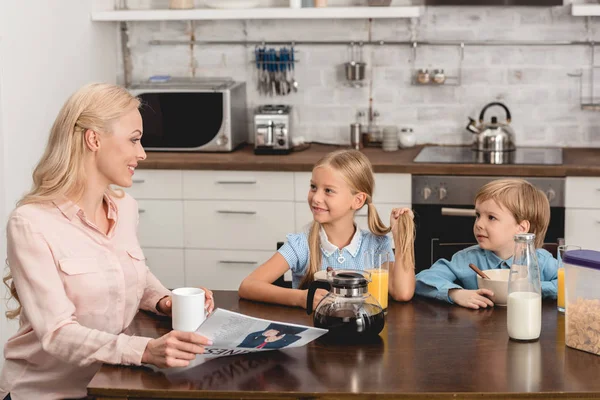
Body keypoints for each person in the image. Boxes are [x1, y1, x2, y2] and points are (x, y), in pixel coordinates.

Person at [0, 83, 215, 400]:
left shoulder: (125, 208)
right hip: (44, 392)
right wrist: (145, 350)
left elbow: (124, 271)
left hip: (110, 383)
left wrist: (163, 300)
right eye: (134, 140)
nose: (141, 153)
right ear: (93, 139)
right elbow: (57, 333)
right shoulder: (31, 224)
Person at [238, 149, 416, 310]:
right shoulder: (301, 245)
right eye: (313, 187)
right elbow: (249, 285)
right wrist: (302, 298)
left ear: (358, 200)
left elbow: (402, 293)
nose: (316, 197)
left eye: (328, 190)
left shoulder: (376, 246)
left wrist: (401, 238)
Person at [415, 178, 558, 309]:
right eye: (478, 215)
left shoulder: (540, 261)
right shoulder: (468, 259)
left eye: (491, 217)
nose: (479, 224)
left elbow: (569, 284)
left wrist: (530, 288)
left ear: (521, 229)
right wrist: (456, 293)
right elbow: (423, 280)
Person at [237, 323, 305, 350]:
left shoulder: (242, 347)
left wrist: (264, 333)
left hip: (276, 324)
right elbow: (296, 338)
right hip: (294, 329)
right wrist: (281, 336)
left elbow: (251, 336)